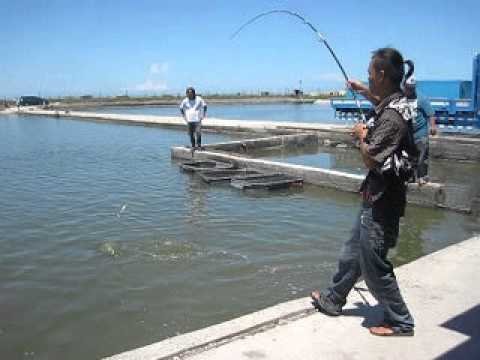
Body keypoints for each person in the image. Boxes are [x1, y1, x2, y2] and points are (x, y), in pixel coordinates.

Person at [311, 48, 416, 337]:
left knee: (374, 264)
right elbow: (381, 102)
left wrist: (361, 137)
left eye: (370, 74)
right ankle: (333, 299)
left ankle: (401, 321)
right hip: (375, 193)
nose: (368, 78)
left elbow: (371, 158)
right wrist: (360, 91)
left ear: (381, 74)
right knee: (354, 251)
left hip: (385, 200)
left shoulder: (393, 117)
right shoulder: (395, 101)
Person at [403, 73, 436, 184]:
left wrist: (432, 126)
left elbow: (430, 114)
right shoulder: (401, 98)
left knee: (422, 157)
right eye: (407, 88)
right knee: (408, 157)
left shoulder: (421, 98)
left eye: (412, 88)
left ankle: (423, 177)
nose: (409, 90)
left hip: (420, 133)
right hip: (407, 134)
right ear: (404, 86)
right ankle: (410, 177)